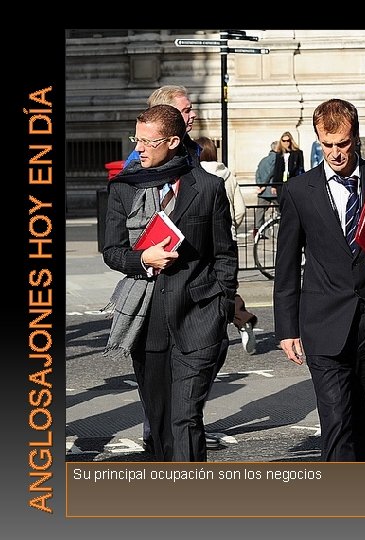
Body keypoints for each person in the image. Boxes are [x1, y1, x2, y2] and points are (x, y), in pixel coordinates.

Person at [273, 98, 365, 462]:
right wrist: (286, 329)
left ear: (355, 138)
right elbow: (286, 266)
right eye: (327, 145)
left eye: (342, 143)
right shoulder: (299, 191)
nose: (336, 153)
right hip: (323, 322)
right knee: (337, 424)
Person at [102, 104, 238, 462]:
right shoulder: (124, 187)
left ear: (174, 142)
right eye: (137, 139)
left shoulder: (207, 187)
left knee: (185, 417)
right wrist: (142, 259)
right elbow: (112, 251)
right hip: (147, 322)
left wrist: (222, 306)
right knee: (161, 423)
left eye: (148, 141)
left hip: (199, 318)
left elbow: (224, 254)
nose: (139, 148)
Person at [193, 136, 257, 355]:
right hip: (228, 240)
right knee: (226, 287)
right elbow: (240, 209)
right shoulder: (227, 174)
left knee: (202, 287)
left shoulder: (195, 175)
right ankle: (241, 319)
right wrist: (228, 228)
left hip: (202, 242)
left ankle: (210, 335)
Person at [124, 85, 199, 167]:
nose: (193, 114)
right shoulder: (138, 161)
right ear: (166, 114)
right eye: (186, 111)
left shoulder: (194, 148)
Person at [253, 141, 279, 237]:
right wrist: (264, 184)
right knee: (281, 211)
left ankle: (257, 232)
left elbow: (257, 173)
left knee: (260, 212)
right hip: (273, 189)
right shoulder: (277, 159)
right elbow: (272, 172)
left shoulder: (263, 160)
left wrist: (260, 185)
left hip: (263, 191)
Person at [272, 131, 305, 201]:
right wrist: (273, 186)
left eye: (288, 141)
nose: (286, 143)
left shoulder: (298, 153)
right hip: (281, 182)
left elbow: (301, 168)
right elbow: (276, 170)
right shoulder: (279, 154)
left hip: (293, 181)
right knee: (282, 202)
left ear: (291, 141)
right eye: (284, 141)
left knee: (293, 201)